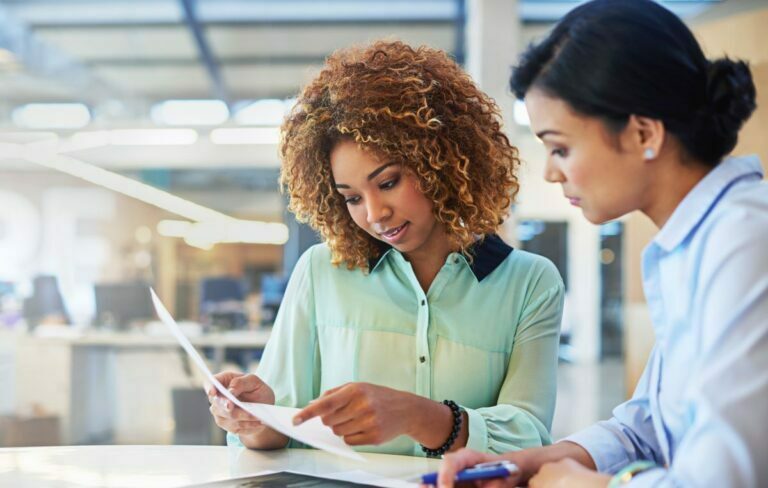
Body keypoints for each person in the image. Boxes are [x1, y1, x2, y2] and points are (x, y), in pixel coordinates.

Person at [434, 0, 767, 486]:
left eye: (561, 147)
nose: (550, 171)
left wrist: (587, 485)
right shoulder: (689, 244)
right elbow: (646, 426)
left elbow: (725, 478)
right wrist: (537, 462)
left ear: (643, 133)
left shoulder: (744, 239)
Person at [206, 40, 565, 457]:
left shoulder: (529, 283)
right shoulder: (320, 272)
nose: (374, 213)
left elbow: (530, 435)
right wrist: (255, 418)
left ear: (441, 161)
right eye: (352, 198)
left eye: (388, 182)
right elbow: (280, 430)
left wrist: (419, 416)